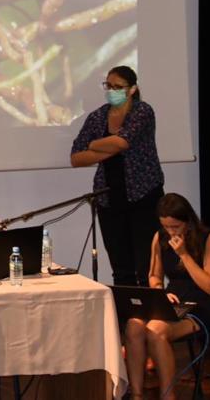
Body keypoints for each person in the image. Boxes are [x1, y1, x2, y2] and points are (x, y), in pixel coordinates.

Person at [122, 194, 210, 399]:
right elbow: (154, 275)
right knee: (134, 325)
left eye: (175, 226)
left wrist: (184, 255)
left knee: (155, 331)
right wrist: (160, 292)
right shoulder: (160, 238)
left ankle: (168, 395)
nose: (171, 231)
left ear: (188, 221)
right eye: (166, 226)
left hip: (201, 303)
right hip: (173, 299)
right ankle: (137, 394)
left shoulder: (209, 238)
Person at [70, 65, 165, 286]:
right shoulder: (97, 117)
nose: (112, 91)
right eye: (108, 86)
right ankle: (125, 308)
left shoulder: (142, 111)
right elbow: (75, 157)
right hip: (108, 199)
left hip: (143, 196)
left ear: (132, 89)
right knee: (120, 268)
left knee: (146, 266)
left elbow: (123, 142)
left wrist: (93, 145)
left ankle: (149, 306)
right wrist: (107, 147)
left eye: (118, 87)